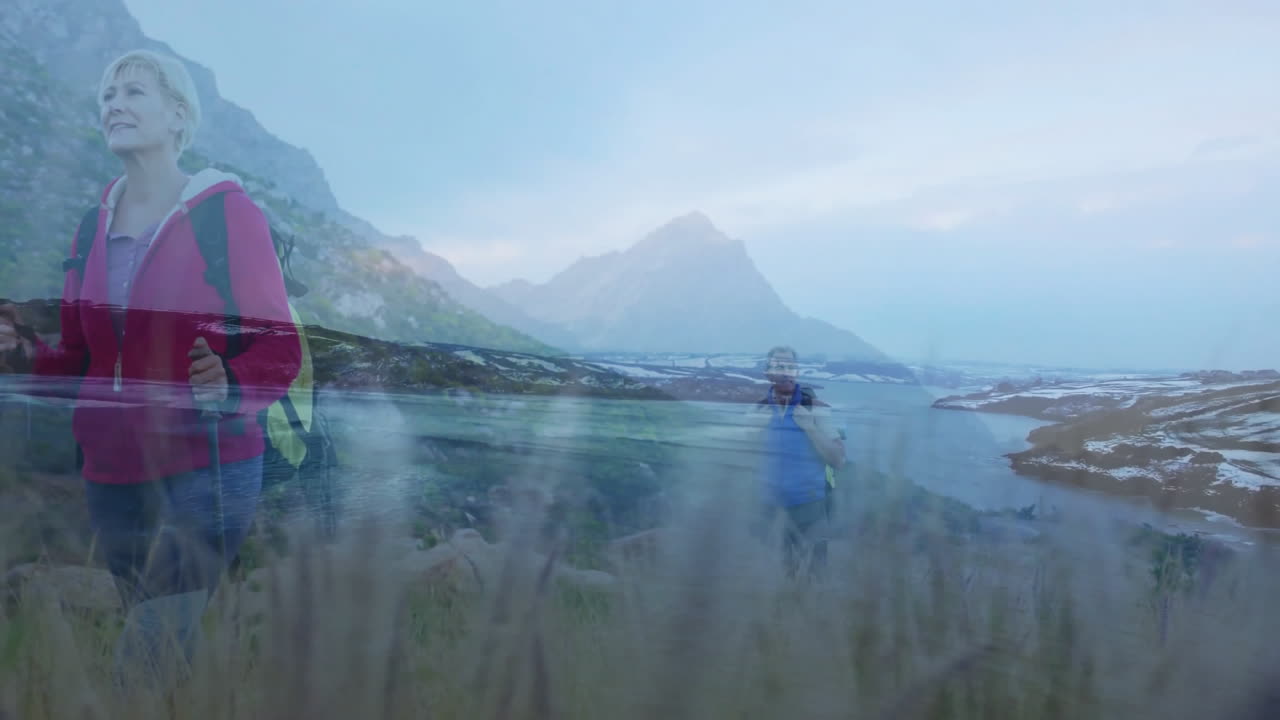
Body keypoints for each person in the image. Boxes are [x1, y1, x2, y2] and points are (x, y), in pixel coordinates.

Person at [0, 49, 300, 689]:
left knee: (142, 656)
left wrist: (232, 381)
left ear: (177, 114)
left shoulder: (227, 215)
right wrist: (22, 351)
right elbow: (83, 356)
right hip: (113, 469)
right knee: (162, 642)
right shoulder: (91, 228)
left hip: (211, 461)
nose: (114, 105)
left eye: (133, 92)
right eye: (107, 97)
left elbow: (280, 349)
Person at [748, 345, 846, 579]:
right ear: (767, 372)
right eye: (779, 366)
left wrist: (810, 428)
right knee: (779, 576)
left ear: (797, 372)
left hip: (809, 508)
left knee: (815, 579)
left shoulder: (815, 409)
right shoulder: (759, 410)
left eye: (791, 366)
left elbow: (838, 460)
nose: (786, 372)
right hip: (770, 508)